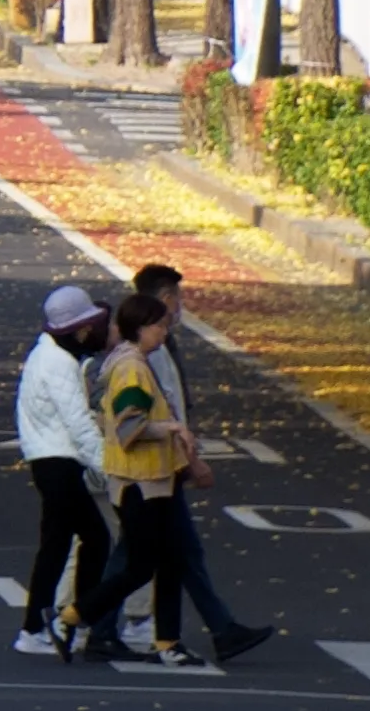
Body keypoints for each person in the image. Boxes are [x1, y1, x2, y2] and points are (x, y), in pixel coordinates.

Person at [125, 257, 279, 669]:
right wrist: (190, 459)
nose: (181, 308)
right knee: (150, 554)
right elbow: (162, 411)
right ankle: (86, 619)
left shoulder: (155, 343)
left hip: (160, 463)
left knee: (171, 552)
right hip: (156, 465)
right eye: (179, 299)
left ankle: (218, 628)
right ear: (165, 298)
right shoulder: (151, 349)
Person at [94, 290, 201, 668]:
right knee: (144, 564)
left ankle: (167, 641)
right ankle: (79, 615)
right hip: (142, 479)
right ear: (140, 328)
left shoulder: (133, 362)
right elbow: (130, 428)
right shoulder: (132, 369)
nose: (164, 331)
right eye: (159, 325)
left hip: (151, 477)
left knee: (165, 560)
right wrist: (173, 426)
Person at [14, 283, 113, 658]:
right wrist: (109, 466)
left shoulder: (45, 355)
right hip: (58, 463)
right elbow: (78, 423)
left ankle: (46, 624)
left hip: (46, 459)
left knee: (57, 545)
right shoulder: (59, 364)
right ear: (80, 329)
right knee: (93, 540)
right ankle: (61, 621)